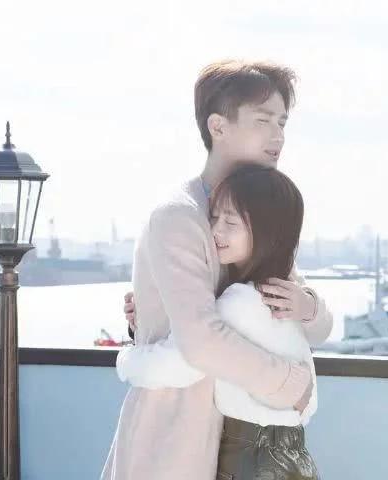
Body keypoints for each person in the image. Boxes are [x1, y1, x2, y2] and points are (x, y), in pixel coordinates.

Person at [101, 60, 333, 480]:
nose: (278, 135)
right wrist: (291, 385)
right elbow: (201, 341)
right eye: (263, 120)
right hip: (175, 434)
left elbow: (310, 325)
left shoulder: (254, 216)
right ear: (218, 127)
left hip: (240, 445)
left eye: (282, 122)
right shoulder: (179, 215)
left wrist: (308, 306)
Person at [119, 165, 320, 479]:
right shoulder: (280, 294)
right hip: (292, 452)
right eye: (214, 218)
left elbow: (182, 362)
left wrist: (126, 359)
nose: (215, 231)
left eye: (231, 222)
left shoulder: (237, 303)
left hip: (251, 456)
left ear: (265, 232)